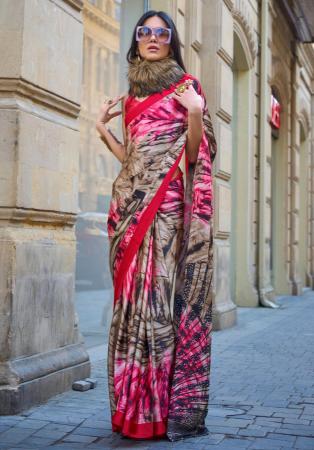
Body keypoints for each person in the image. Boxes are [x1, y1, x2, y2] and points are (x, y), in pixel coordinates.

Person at [96, 10, 217, 442]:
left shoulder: (186, 90)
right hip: (129, 215)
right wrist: (101, 131)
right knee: (130, 310)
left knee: (159, 309)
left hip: (166, 219)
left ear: (171, 40)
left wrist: (197, 113)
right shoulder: (130, 99)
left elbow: (192, 158)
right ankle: (131, 409)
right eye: (143, 31)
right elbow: (133, 162)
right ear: (136, 40)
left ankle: (160, 412)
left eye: (160, 32)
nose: (151, 37)